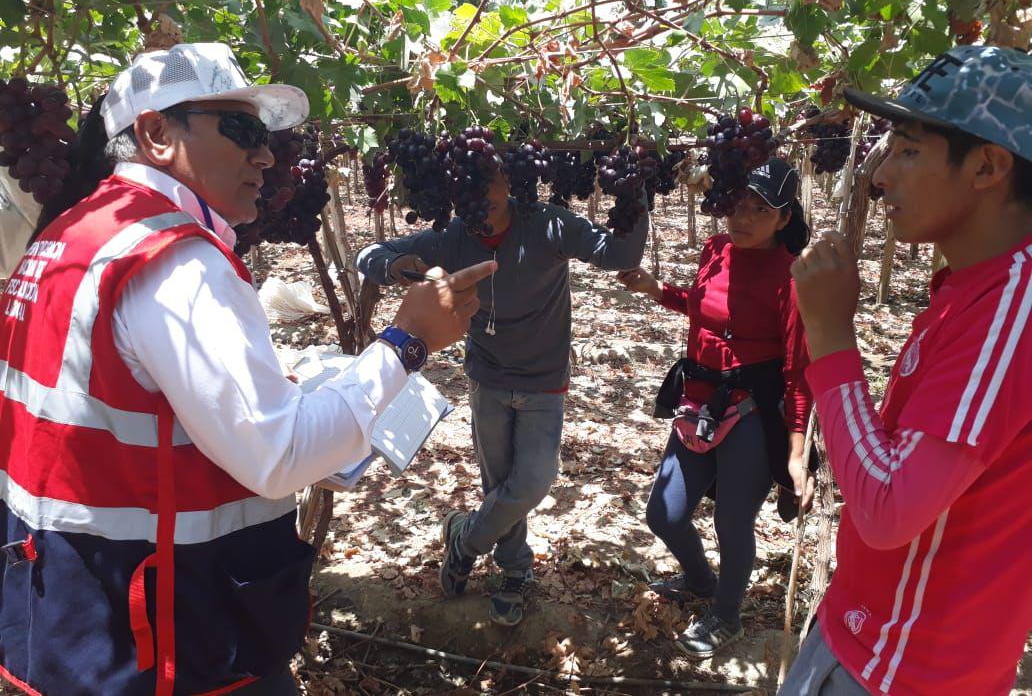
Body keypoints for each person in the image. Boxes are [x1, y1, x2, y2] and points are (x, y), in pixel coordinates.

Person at [0, 42, 496, 696]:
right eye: (241, 130)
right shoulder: (176, 263)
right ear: (154, 134)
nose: (265, 155)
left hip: (71, 618)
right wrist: (409, 340)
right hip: (172, 642)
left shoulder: (71, 237)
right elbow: (280, 455)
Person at [780, 45, 1032, 695]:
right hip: (864, 635)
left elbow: (890, 507)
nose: (879, 175)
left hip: (901, 669)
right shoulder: (973, 288)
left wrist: (830, 338)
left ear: (987, 166)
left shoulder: (1013, 311)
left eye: (909, 150)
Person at [356, 158, 648, 625]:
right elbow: (366, 256)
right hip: (488, 378)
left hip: (543, 380)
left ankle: (464, 539)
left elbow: (619, 256)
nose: (481, 194)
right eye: (467, 183)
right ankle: (515, 571)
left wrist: (636, 189)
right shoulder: (452, 238)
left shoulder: (548, 224)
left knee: (531, 481)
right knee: (499, 485)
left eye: (488, 179)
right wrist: (395, 265)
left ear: (509, 179)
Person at [618, 157, 814, 658]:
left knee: (732, 522)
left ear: (784, 217)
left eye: (758, 208)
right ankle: (701, 580)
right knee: (664, 514)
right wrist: (655, 290)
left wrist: (797, 449)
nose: (742, 217)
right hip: (697, 401)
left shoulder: (792, 278)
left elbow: (797, 370)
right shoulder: (716, 249)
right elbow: (702, 307)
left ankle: (727, 615)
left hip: (747, 411)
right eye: (736, 204)